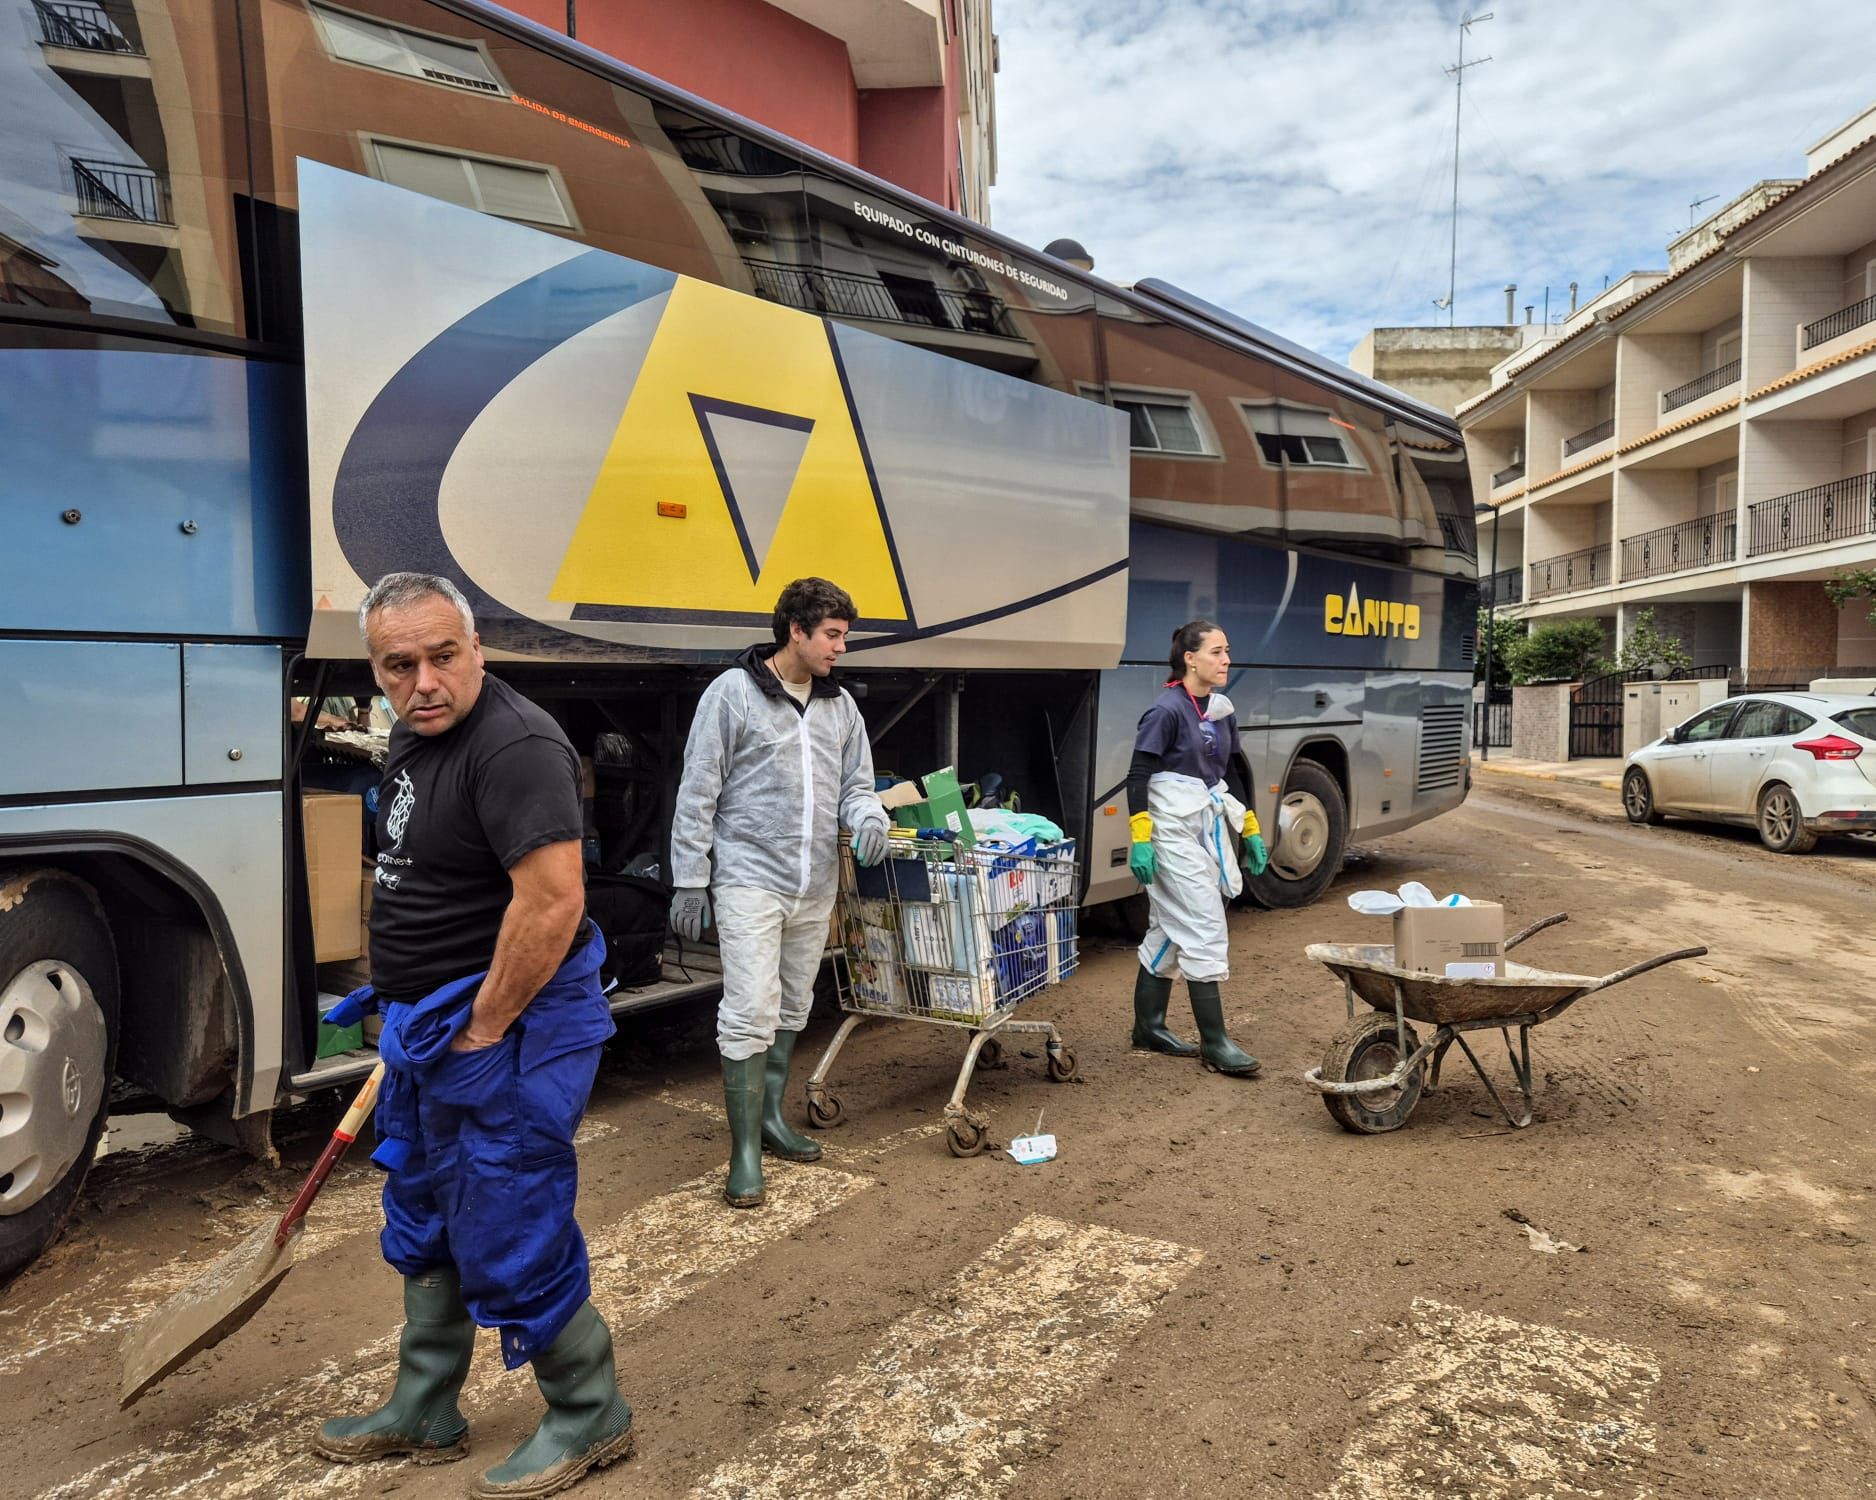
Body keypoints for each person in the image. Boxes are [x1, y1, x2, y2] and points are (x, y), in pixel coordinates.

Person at [314, 572, 635, 1498]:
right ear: (375, 671)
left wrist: (482, 1029)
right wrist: (401, 995)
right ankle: (426, 1407)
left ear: (477, 648)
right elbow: (439, 878)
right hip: (436, 1022)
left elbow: (552, 903)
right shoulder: (414, 743)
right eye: (398, 665)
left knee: (508, 1211)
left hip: (514, 1028)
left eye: (442, 656)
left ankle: (590, 1413)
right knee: (423, 1211)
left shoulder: (517, 745)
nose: (423, 681)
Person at [670, 578, 891, 1208]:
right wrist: (691, 877)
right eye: (833, 635)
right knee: (748, 1008)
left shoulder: (840, 706)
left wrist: (868, 819)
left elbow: (858, 784)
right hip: (748, 880)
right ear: (796, 630)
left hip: (813, 882)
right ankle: (742, 1152)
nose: (841, 649)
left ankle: (769, 1120)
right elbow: (698, 790)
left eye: (844, 636)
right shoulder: (733, 695)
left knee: (793, 1003)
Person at [1125, 619, 1269, 1076]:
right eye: (1216, 652)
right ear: (1190, 658)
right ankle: (1215, 1042)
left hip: (1202, 823)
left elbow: (1229, 773)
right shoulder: (1166, 711)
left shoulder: (1220, 710)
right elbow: (1137, 776)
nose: (1226, 660)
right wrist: (1141, 839)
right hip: (1169, 831)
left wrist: (1249, 827)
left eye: (1227, 651)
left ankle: (1148, 1027)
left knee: (1171, 926)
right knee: (1204, 923)